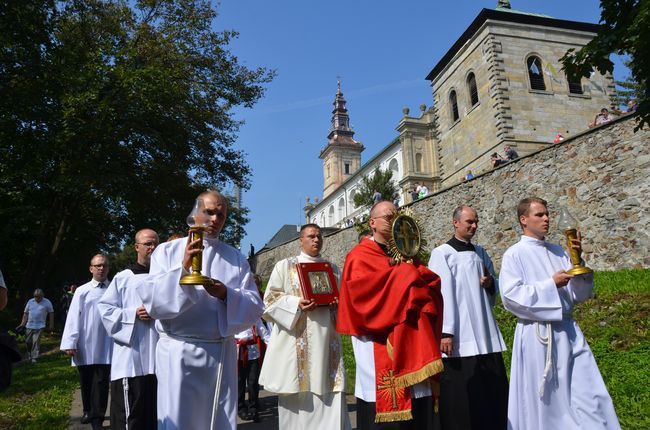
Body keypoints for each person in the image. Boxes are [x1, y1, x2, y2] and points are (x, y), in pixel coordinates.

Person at [136, 190, 264, 430]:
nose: (215, 219)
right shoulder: (166, 252)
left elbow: (255, 306)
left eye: (221, 215)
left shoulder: (235, 258)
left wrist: (227, 294)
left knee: (217, 419)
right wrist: (183, 266)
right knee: (179, 419)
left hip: (219, 352)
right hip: (178, 351)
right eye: (209, 212)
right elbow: (154, 301)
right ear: (195, 213)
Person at [499, 197, 620, 429]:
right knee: (548, 403)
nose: (546, 219)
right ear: (524, 220)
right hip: (538, 335)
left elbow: (578, 295)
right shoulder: (514, 254)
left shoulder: (557, 251)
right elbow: (511, 297)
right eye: (539, 215)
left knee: (589, 392)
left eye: (546, 214)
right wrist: (550, 284)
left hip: (569, 331)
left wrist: (578, 261)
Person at [337, 201, 443, 429]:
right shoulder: (359, 256)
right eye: (388, 216)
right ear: (372, 223)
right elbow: (360, 300)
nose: (394, 219)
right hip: (377, 341)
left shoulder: (409, 255)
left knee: (418, 407)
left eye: (397, 214)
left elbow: (426, 285)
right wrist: (403, 277)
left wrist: (414, 276)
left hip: (412, 340)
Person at [259, 224, 351, 430]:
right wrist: (295, 304)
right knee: (297, 396)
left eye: (319, 236)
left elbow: (344, 301)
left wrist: (338, 304)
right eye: (311, 236)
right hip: (295, 343)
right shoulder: (285, 266)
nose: (316, 240)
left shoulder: (332, 268)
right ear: (301, 240)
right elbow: (269, 300)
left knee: (330, 395)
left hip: (327, 342)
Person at [428, 206, 508, 429]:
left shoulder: (481, 252)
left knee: (491, 393)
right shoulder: (442, 253)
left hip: (485, 333)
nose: (474, 226)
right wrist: (446, 332)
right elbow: (441, 295)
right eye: (469, 222)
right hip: (459, 337)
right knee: (461, 398)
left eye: (476, 221)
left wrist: (491, 283)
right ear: (455, 223)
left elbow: (494, 288)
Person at [97, 228, 160, 430]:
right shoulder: (124, 277)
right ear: (136, 247)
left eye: (156, 243)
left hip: (159, 357)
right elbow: (105, 309)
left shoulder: (166, 277)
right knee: (130, 416)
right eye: (148, 243)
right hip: (131, 358)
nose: (152, 247)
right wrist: (132, 313)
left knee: (155, 415)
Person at [61, 254, 113, 430]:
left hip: (107, 342)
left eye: (104, 265)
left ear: (108, 268)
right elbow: (74, 316)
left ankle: (97, 417)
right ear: (91, 268)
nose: (101, 268)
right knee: (86, 379)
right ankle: (87, 409)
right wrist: (70, 341)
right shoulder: (82, 291)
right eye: (98, 265)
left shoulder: (115, 288)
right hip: (86, 343)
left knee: (102, 380)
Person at [235, 318, 270, 422]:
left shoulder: (254, 317)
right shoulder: (232, 314)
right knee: (239, 381)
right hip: (237, 351)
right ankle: (240, 407)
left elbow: (264, 333)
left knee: (253, 381)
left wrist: (271, 345)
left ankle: (253, 407)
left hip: (253, 351)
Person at [18, 288, 54, 363]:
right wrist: (22, 324)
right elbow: (25, 313)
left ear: (42, 296)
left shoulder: (47, 302)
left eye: (39, 297)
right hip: (29, 325)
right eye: (36, 297)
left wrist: (51, 324)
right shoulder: (30, 301)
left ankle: (34, 357)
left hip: (40, 325)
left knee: (36, 341)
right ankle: (29, 354)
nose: (37, 298)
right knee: (28, 341)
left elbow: (51, 313)